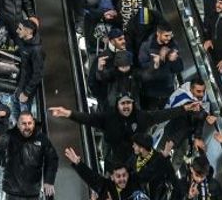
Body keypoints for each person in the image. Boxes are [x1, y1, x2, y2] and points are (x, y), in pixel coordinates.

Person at [49, 93, 198, 164]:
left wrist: (184, 108)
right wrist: (68, 114)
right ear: (117, 105)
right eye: (123, 103)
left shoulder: (141, 117)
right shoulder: (108, 118)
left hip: (136, 159)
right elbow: (88, 119)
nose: (126, 106)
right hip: (115, 157)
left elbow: (163, 115)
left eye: (129, 103)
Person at [3, 113, 59, 200]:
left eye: (29, 123)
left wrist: (49, 180)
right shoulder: (10, 136)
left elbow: (52, 159)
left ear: (33, 124)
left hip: (33, 191)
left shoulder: (42, 138)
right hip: (13, 192)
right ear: (18, 125)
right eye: (24, 123)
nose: (27, 127)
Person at [63, 147, 145, 200]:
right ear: (112, 177)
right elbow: (90, 176)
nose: (122, 179)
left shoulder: (134, 188)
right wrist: (78, 163)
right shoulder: (106, 186)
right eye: (118, 176)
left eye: (124, 175)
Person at [137, 22, 184, 110]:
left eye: (170, 35)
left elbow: (179, 68)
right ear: (158, 33)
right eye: (166, 36)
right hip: (151, 93)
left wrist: (174, 60)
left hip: (168, 91)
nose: (169, 38)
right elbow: (142, 74)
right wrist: (155, 64)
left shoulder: (173, 45)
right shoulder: (146, 46)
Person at [13, 19, 44, 117]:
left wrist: (26, 92)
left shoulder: (36, 50)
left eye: (20, 29)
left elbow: (38, 74)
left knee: (24, 114)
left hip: (26, 88)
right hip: (20, 83)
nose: (17, 31)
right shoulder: (22, 41)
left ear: (29, 31)